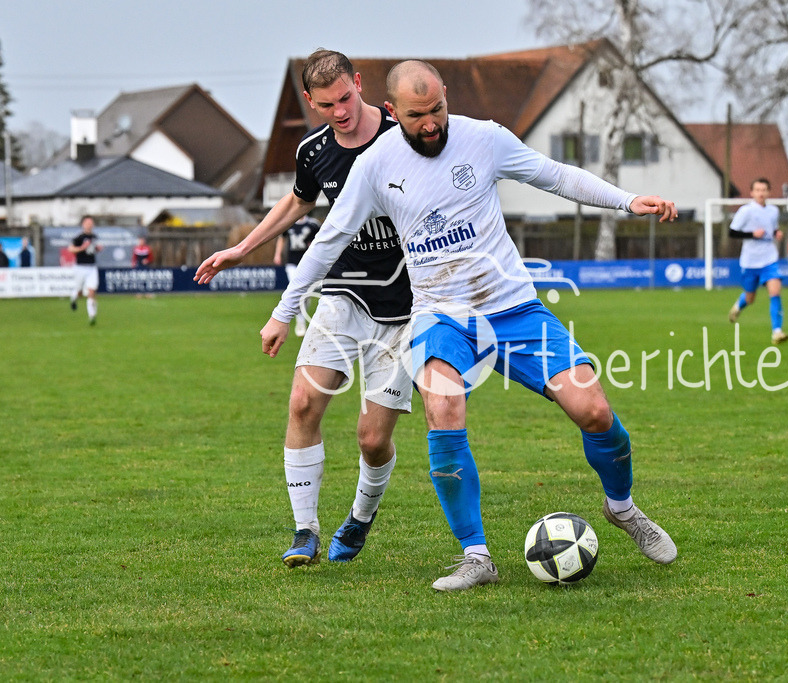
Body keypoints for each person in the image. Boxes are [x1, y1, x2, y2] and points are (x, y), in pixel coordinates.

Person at [261, 60, 679, 591]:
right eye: (416, 116)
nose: (431, 123)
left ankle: (622, 508)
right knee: (443, 407)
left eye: (437, 109)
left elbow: (555, 175)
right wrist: (284, 311)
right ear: (392, 111)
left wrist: (626, 200)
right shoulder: (374, 165)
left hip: (513, 307)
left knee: (593, 410)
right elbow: (328, 241)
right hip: (439, 315)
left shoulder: (484, 138)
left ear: (445, 96)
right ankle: (476, 556)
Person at [193, 49, 413, 568]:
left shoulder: (402, 137)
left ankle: (359, 517)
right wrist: (243, 247)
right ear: (311, 103)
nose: (341, 112)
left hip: (406, 306)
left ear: (358, 83)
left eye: (346, 98)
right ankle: (304, 531)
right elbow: (298, 201)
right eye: (328, 105)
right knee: (302, 404)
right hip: (342, 292)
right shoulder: (313, 150)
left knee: (372, 440)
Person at [727, 178, 788, 344]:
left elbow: (772, 229)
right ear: (752, 192)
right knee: (750, 298)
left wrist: (776, 233)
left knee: (775, 292)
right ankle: (738, 306)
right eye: (758, 190)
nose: (761, 193)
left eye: (764, 190)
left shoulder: (773, 211)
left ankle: (777, 332)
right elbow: (732, 232)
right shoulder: (746, 211)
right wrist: (752, 234)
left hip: (769, 259)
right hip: (750, 261)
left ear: (769, 192)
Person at [273, 214, 322, 337]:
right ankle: (300, 322)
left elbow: (321, 239)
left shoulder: (313, 224)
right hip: (292, 262)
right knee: (297, 290)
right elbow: (282, 238)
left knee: (306, 294)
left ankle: (302, 318)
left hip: (307, 262)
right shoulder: (289, 222)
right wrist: (277, 254)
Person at [68, 215, 103, 325]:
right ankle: (73, 298)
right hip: (80, 267)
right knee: (79, 291)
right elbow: (71, 249)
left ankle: (92, 316)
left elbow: (93, 249)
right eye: (87, 223)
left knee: (91, 291)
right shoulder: (79, 237)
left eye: (91, 223)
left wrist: (98, 249)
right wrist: (82, 248)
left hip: (91, 267)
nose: (89, 225)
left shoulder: (95, 237)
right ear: (83, 224)